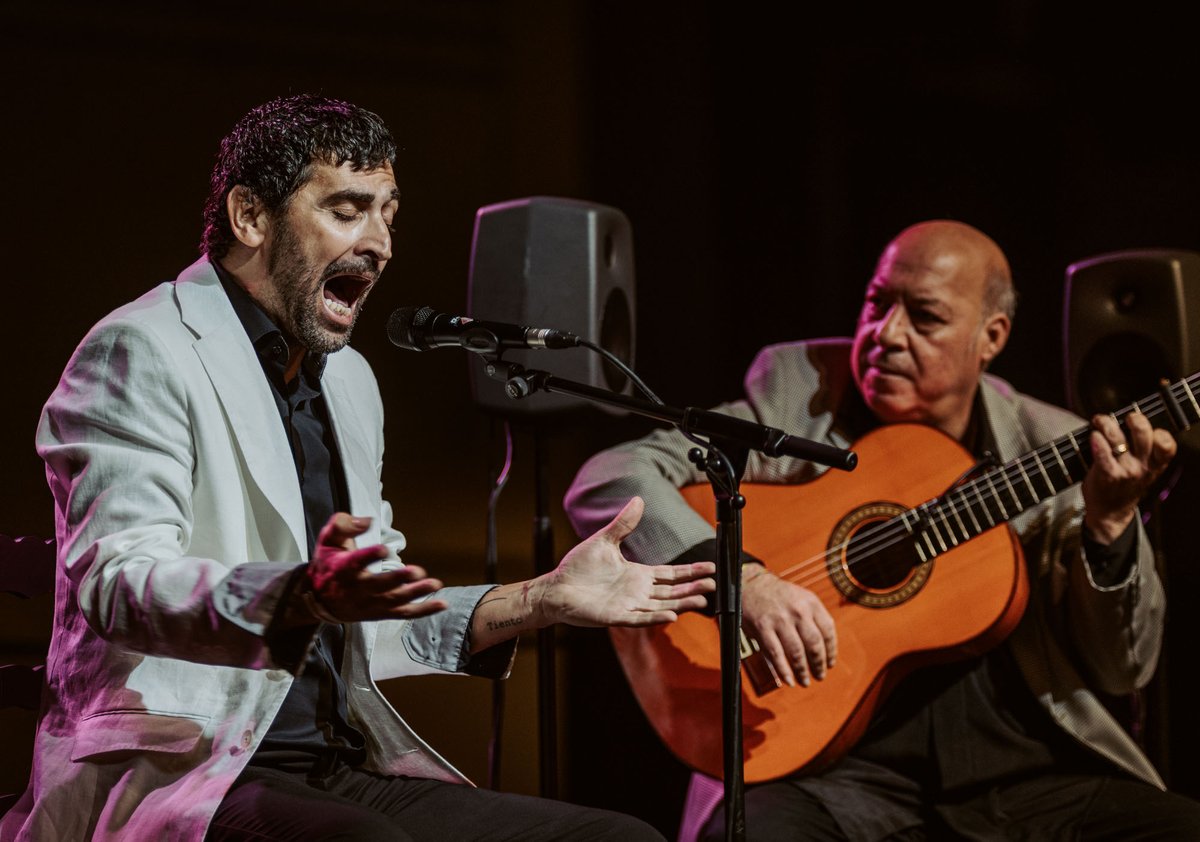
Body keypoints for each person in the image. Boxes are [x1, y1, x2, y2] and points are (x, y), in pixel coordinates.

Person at [2, 94, 715, 842]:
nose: (380, 244)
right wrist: (298, 595)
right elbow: (116, 585)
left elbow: (373, 617)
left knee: (616, 839)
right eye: (348, 210)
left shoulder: (349, 383)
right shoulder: (142, 349)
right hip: (188, 770)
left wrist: (542, 599)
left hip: (335, 766)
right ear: (251, 216)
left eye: (389, 216)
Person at [565, 220, 1200, 839]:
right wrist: (742, 577)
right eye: (877, 303)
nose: (885, 334)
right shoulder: (801, 395)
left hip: (1021, 773)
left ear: (992, 336)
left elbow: (1125, 669)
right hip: (836, 775)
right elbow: (610, 475)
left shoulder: (1057, 446)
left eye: (924, 317)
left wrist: (1112, 520)